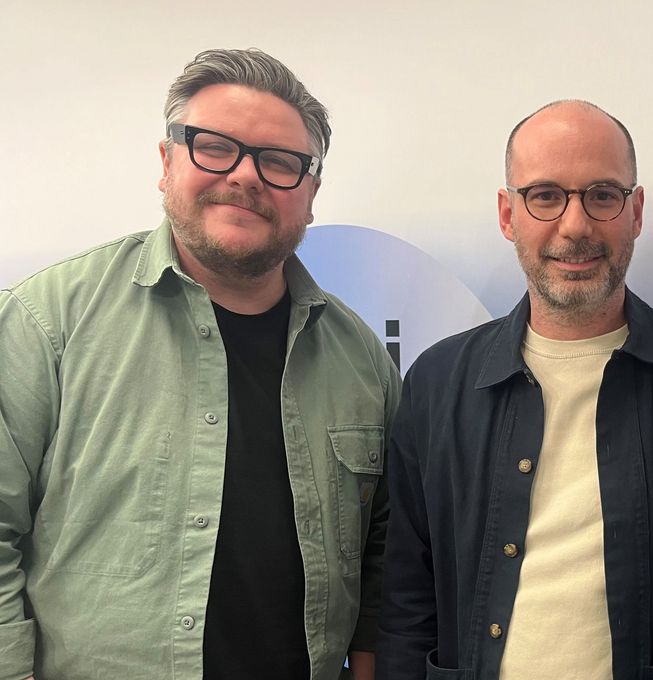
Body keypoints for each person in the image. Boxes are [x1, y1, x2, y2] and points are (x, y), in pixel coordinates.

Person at [0, 48, 398, 680]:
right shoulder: (47, 322)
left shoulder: (363, 361)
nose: (245, 176)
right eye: (215, 147)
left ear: (311, 194)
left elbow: (384, 554)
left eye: (279, 162)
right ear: (167, 163)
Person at [377, 100, 653, 680]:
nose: (576, 225)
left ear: (636, 212)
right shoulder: (437, 383)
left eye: (603, 195)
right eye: (545, 196)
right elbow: (407, 602)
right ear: (508, 215)